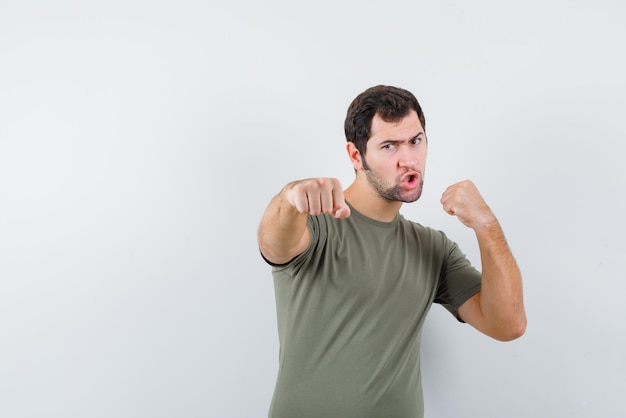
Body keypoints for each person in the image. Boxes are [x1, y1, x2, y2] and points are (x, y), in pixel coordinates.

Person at [257, 85, 526, 418]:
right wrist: (289, 198)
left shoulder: (433, 248)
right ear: (356, 156)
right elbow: (273, 243)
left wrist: (486, 224)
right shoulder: (316, 224)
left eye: (415, 141)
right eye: (389, 146)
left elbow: (508, 325)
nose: (408, 159)